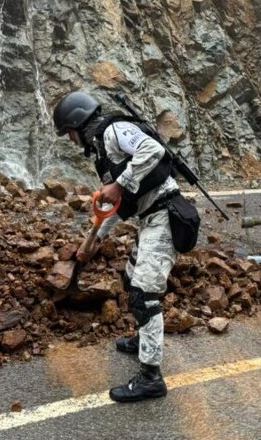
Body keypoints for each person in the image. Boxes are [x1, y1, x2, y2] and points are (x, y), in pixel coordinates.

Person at [53, 91, 182, 403]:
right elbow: (114, 206)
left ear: (78, 124)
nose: (71, 141)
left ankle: (151, 378)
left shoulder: (113, 131)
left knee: (143, 295)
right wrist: (93, 241)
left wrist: (119, 184)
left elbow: (152, 150)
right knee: (129, 279)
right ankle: (142, 339)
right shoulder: (103, 151)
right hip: (149, 219)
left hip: (165, 215)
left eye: (69, 134)